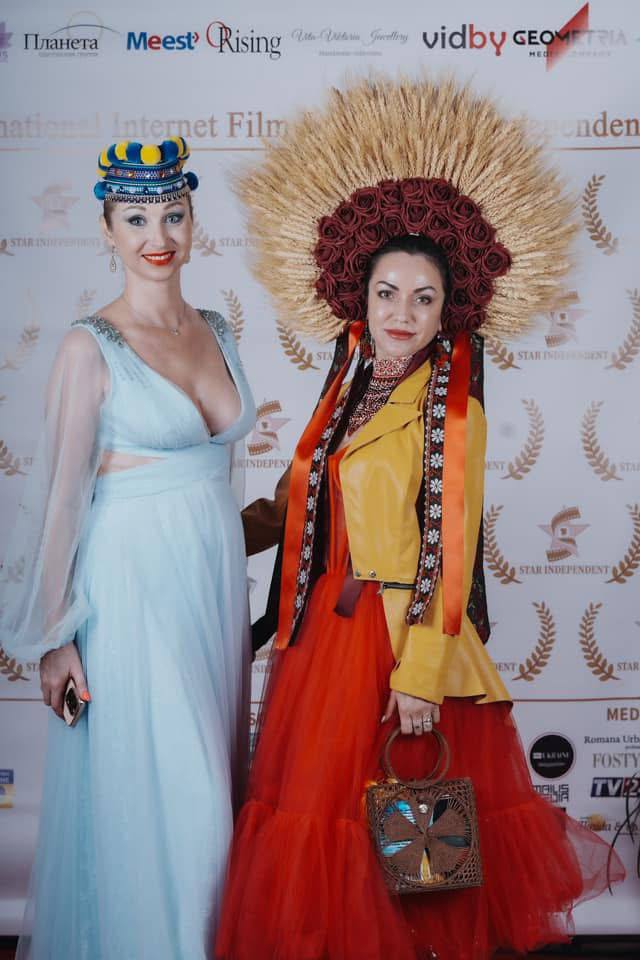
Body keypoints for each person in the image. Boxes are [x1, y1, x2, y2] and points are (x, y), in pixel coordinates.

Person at [216, 77, 624, 960]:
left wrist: (422, 676)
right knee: (323, 836)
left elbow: (451, 548)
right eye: (387, 292)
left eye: (423, 298)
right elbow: (294, 510)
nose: (401, 314)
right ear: (359, 298)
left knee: (414, 853)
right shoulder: (343, 394)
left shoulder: (454, 412)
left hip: (399, 641)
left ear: (448, 311)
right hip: (324, 634)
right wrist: (190, 531)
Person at [0, 137, 256, 959]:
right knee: (184, 800)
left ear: (194, 221)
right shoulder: (89, 345)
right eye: (137, 219)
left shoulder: (217, 328)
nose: (159, 236)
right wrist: (56, 637)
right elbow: (62, 500)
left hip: (210, 588)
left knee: (215, 788)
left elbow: (217, 478)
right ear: (107, 229)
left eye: (174, 215)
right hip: (130, 590)